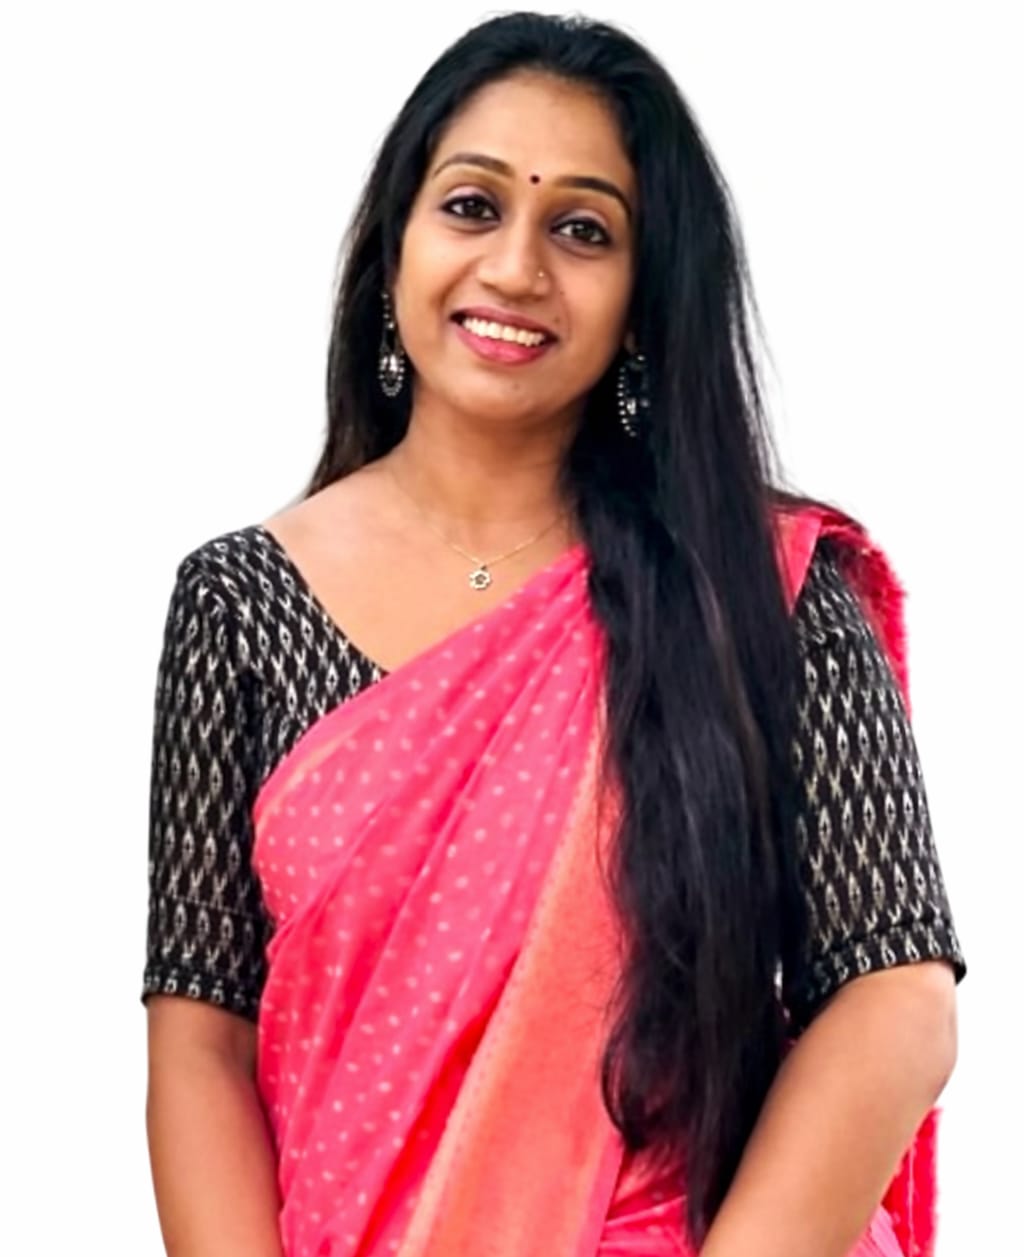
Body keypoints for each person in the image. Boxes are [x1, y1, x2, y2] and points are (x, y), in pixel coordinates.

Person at [141, 12, 965, 1257]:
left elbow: (894, 999)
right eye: (472, 207)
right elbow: (202, 1033)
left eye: (583, 230)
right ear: (394, 248)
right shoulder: (241, 602)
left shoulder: (764, 589)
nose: (517, 267)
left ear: (643, 299)